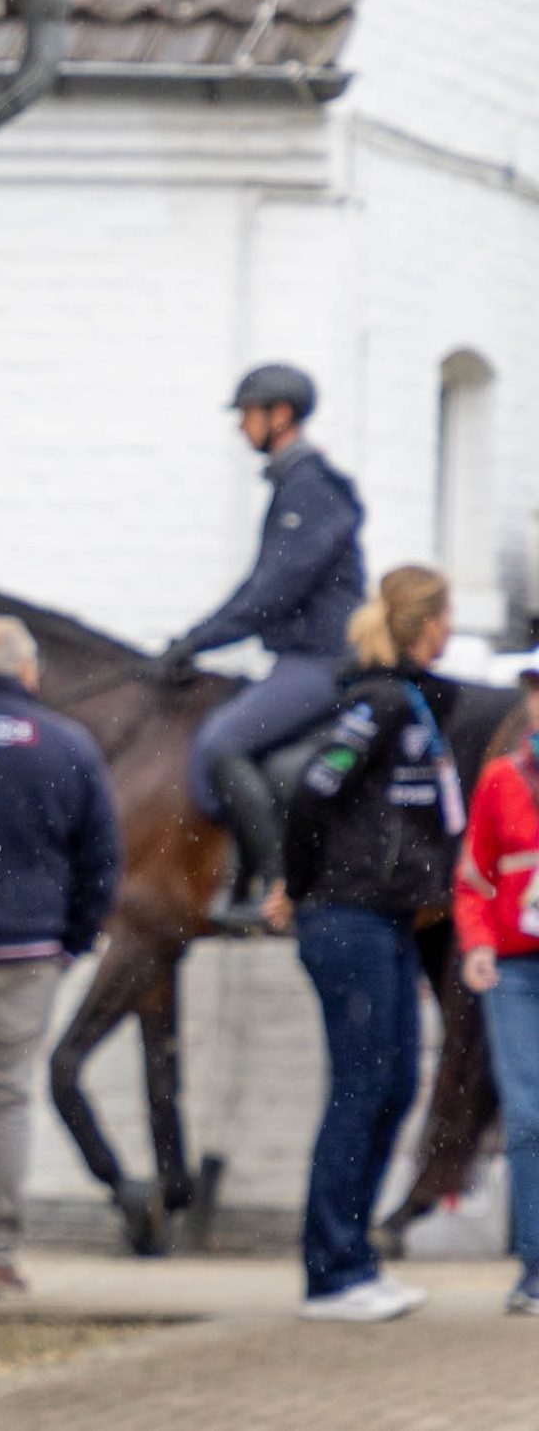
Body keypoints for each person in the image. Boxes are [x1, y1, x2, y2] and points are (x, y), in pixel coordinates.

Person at [267, 566, 464, 1321]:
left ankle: (356, 1260)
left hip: (386, 919)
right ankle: (331, 1273)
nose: (451, 631)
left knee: (392, 1088)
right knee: (360, 1088)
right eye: (444, 618)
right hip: (345, 917)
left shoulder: (413, 701)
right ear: (423, 624)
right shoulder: (377, 702)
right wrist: (301, 881)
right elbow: (315, 789)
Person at [156, 364, 366, 932]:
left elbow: (273, 594)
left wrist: (197, 642)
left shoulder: (311, 488)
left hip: (322, 661)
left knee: (223, 741)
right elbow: (260, 588)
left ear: (280, 416)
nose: (241, 427)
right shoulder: (293, 484)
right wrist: (193, 640)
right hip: (297, 657)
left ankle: (274, 887)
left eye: (247, 415)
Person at [0, 615, 121, 1297]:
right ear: (28, 671)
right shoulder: (67, 743)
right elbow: (101, 858)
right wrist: (75, 940)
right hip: (27, 952)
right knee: (5, 1100)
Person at [456, 667, 539, 1315]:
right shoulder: (502, 780)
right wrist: (478, 941)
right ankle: (535, 1268)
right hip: (514, 972)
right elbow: (475, 877)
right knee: (529, 1116)